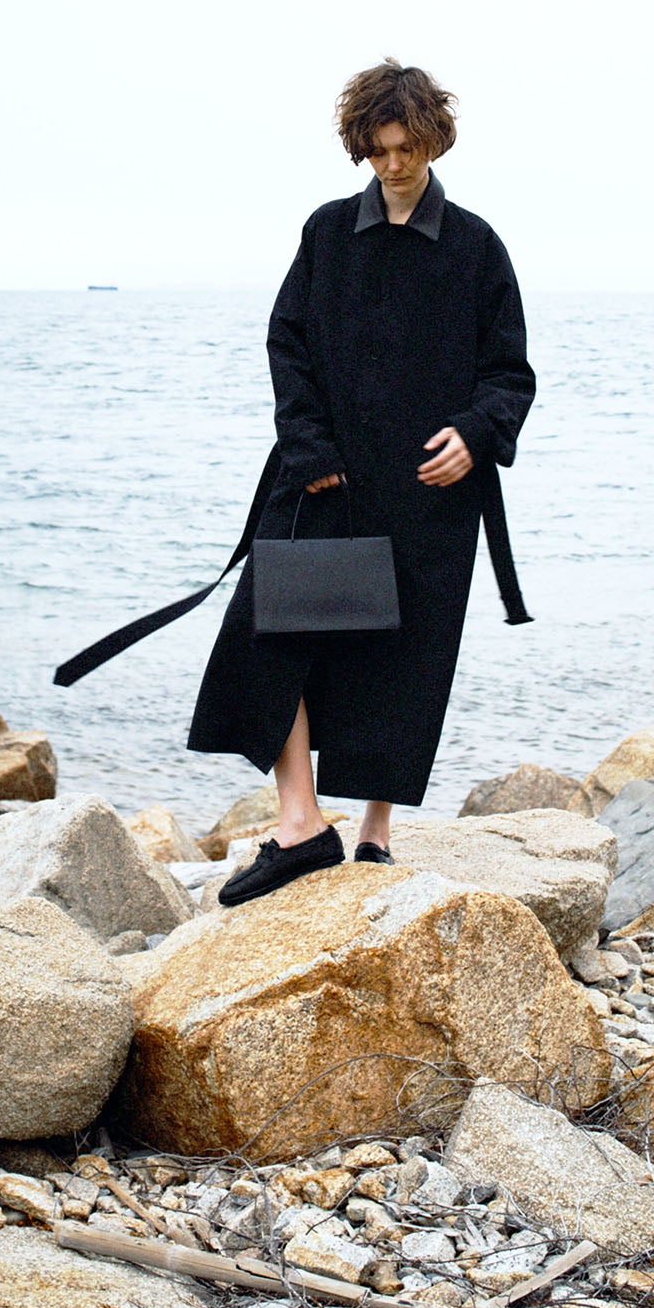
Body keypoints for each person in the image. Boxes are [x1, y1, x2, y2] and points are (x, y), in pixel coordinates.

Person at [187, 58, 536, 905]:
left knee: (401, 660)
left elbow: (509, 374)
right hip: (322, 480)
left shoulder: (476, 247)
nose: (394, 164)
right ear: (361, 148)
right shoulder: (327, 233)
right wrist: (307, 445)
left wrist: (477, 434)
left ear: (433, 141)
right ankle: (301, 825)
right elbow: (287, 343)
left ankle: (375, 832)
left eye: (407, 148)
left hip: (427, 492)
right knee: (270, 637)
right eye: (378, 151)